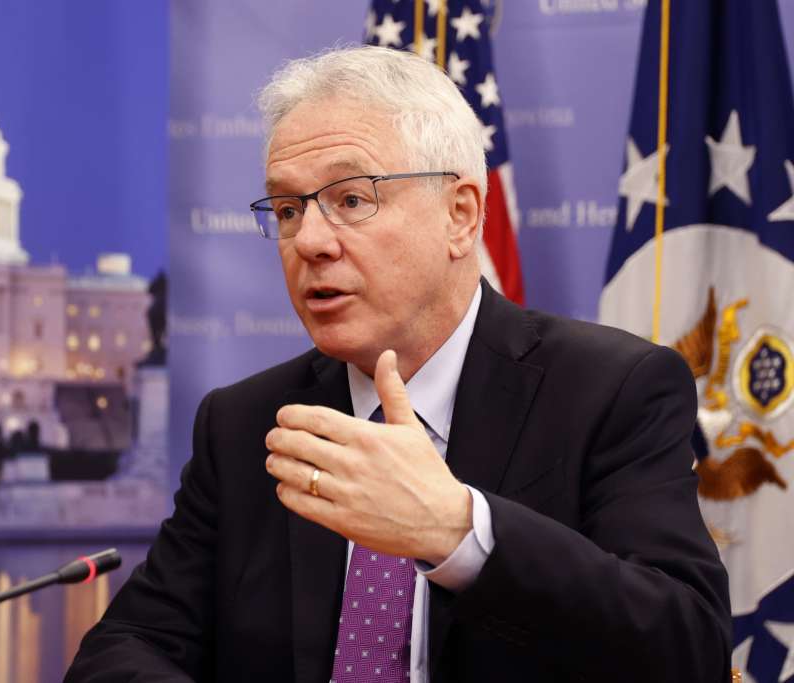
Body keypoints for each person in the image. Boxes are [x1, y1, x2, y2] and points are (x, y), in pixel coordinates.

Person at [65, 45, 731, 682]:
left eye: (351, 200)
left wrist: (458, 531)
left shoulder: (610, 392)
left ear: (460, 216)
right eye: (289, 209)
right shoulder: (249, 424)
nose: (310, 241)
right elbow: (125, 648)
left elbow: (686, 647)